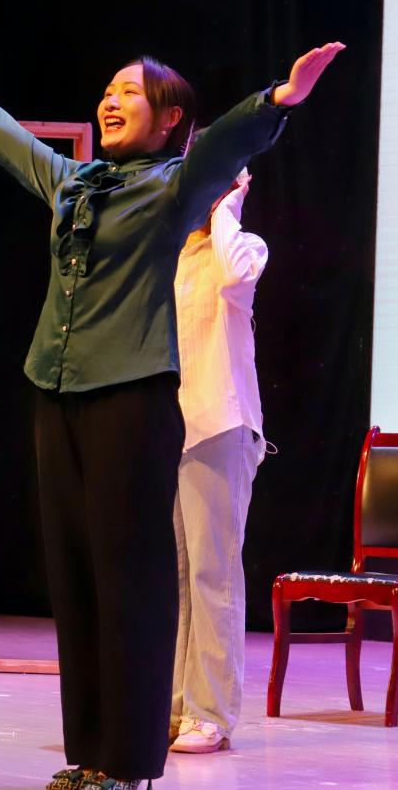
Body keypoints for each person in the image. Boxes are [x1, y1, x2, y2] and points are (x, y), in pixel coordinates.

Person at [0, 41, 343, 790]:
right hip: (56, 389)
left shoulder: (173, 187)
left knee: (130, 581)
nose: (110, 100)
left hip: (131, 396)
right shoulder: (76, 183)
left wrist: (278, 99)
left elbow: (222, 146)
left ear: (168, 120)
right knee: (77, 581)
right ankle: (90, 754)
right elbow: (11, 146)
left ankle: (127, 764)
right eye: (108, 89)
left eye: (130, 92)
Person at [167, 167, 267, 754]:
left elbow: (233, 279)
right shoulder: (172, 257)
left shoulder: (242, 248)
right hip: (170, 432)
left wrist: (229, 207)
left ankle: (212, 713)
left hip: (220, 427)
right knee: (177, 578)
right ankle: (176, 705)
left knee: (214, 574)